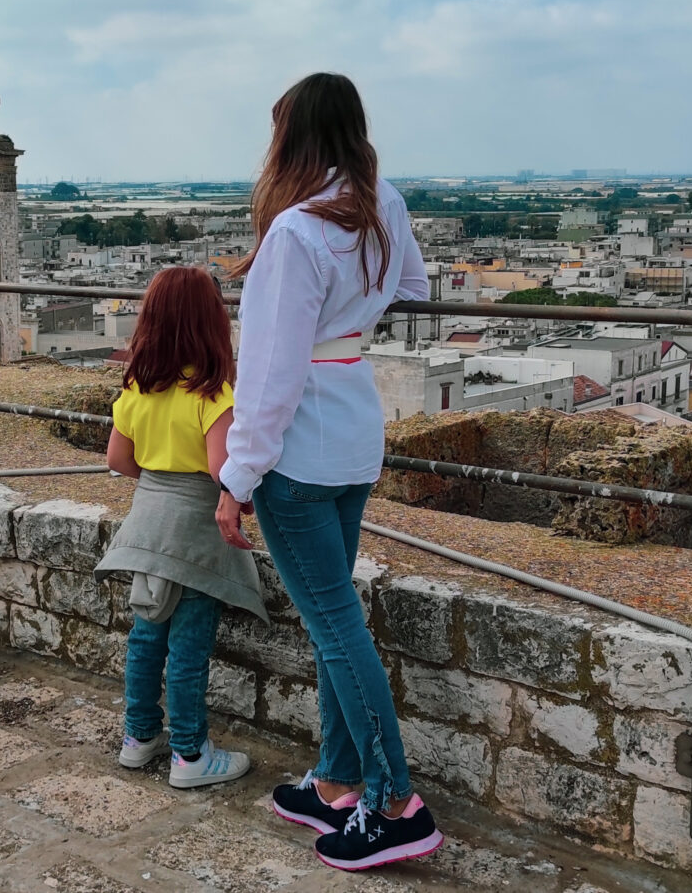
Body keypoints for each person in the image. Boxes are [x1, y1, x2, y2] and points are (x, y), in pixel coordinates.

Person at [215, 72, 443, 870]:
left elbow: (269, 375)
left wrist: (236, 478)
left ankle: (392, 801)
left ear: (291, 140)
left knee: (336, 625)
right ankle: (340, 780)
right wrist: (353, 317)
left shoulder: (295, 233)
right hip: (353, 426)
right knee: (331, 616)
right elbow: (412, 287)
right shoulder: (385, 204)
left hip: (302, 443)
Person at [95, 265, 266, 788]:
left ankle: (138, 737)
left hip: (148, 524)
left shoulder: (136, 389)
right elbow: (223, 472)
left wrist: (159, 475)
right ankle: (190, 755)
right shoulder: (213, 396)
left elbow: (117, 460)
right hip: (194, 532)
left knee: (146, 638)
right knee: (188, 648)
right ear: (209, 322)